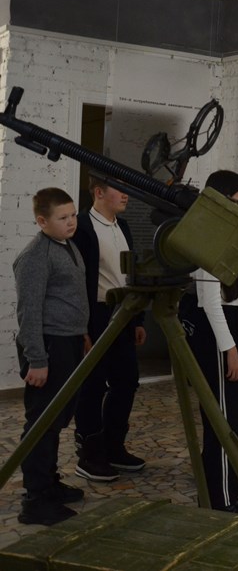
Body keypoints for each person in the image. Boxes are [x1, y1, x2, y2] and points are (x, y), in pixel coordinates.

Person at [179, 171, 238, 513]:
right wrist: (231, 351)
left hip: (225, 326)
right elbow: (210, 302)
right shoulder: (209, 234)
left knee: (232, 418)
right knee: (223, 421)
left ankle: (229, 489)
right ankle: (220, 499)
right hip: (215, 333)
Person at [14, 188, 89, 525]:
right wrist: (37, 359)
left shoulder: (66, 245)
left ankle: (49, 483)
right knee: (42, 422)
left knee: (57, 418)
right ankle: (35, 500)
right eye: (63, 217)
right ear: (42, 221)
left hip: (68, 341)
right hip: (48, 346)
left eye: (73, 215)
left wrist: (81, 333)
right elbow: (28, 312)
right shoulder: (35, 256)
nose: (72, 222)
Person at [72, 177, 147, 482]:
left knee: (126, 381)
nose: (126, 195)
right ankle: (89, 454)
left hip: (124, 313)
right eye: (120, 189)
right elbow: (77, 282)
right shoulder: (82, 227)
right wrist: (82, 328)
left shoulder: (123, 226)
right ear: (99, 192)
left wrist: (138, 320)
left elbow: (129, 274)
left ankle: (114, 446)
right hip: (97, 314)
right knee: (92, 384)